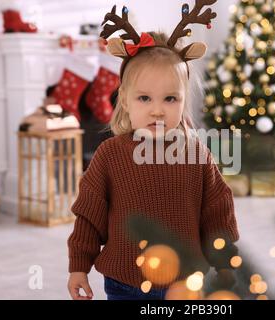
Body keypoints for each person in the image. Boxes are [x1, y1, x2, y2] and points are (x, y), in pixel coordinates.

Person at [67, 2, 239, 300]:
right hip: (124, 282)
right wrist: (78, 266)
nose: (157, 110)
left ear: (184, 100)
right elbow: (89, 215)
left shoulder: (196, 154)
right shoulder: (110, 155)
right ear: (125, 100)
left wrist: (224, 261)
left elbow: (217, 212)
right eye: (144, 98)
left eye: (170, 99)